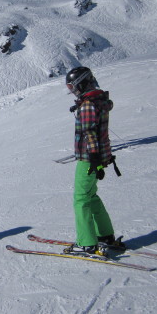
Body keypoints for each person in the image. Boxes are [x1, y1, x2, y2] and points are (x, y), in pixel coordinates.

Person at [64, 67, 124, 256]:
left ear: (82, 83)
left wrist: (94, 158)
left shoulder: (88, 104)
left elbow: (89, 131)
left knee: (81, 199)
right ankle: (105, 235)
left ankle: (87, 243)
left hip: (88, 158)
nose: (73, 91)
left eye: (74, 87)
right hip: (99, 156)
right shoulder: (98, 101)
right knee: (91, 196)